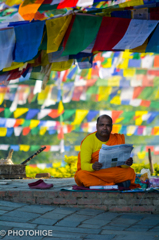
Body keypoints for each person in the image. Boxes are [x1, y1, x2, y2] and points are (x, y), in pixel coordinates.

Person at [74, 114, 141, 189]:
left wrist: (126, 163)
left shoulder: (117, 139)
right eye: (101, 125)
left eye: (108, 125)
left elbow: (123, 165)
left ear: (112, 127)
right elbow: (84, 165)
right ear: (97, 126)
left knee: (130, 172)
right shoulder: (88, 141)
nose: (105, 128)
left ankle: (107, 185)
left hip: (112, 172)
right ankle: (113, 185)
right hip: (96, 172)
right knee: (81, 175)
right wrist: (92, 166)